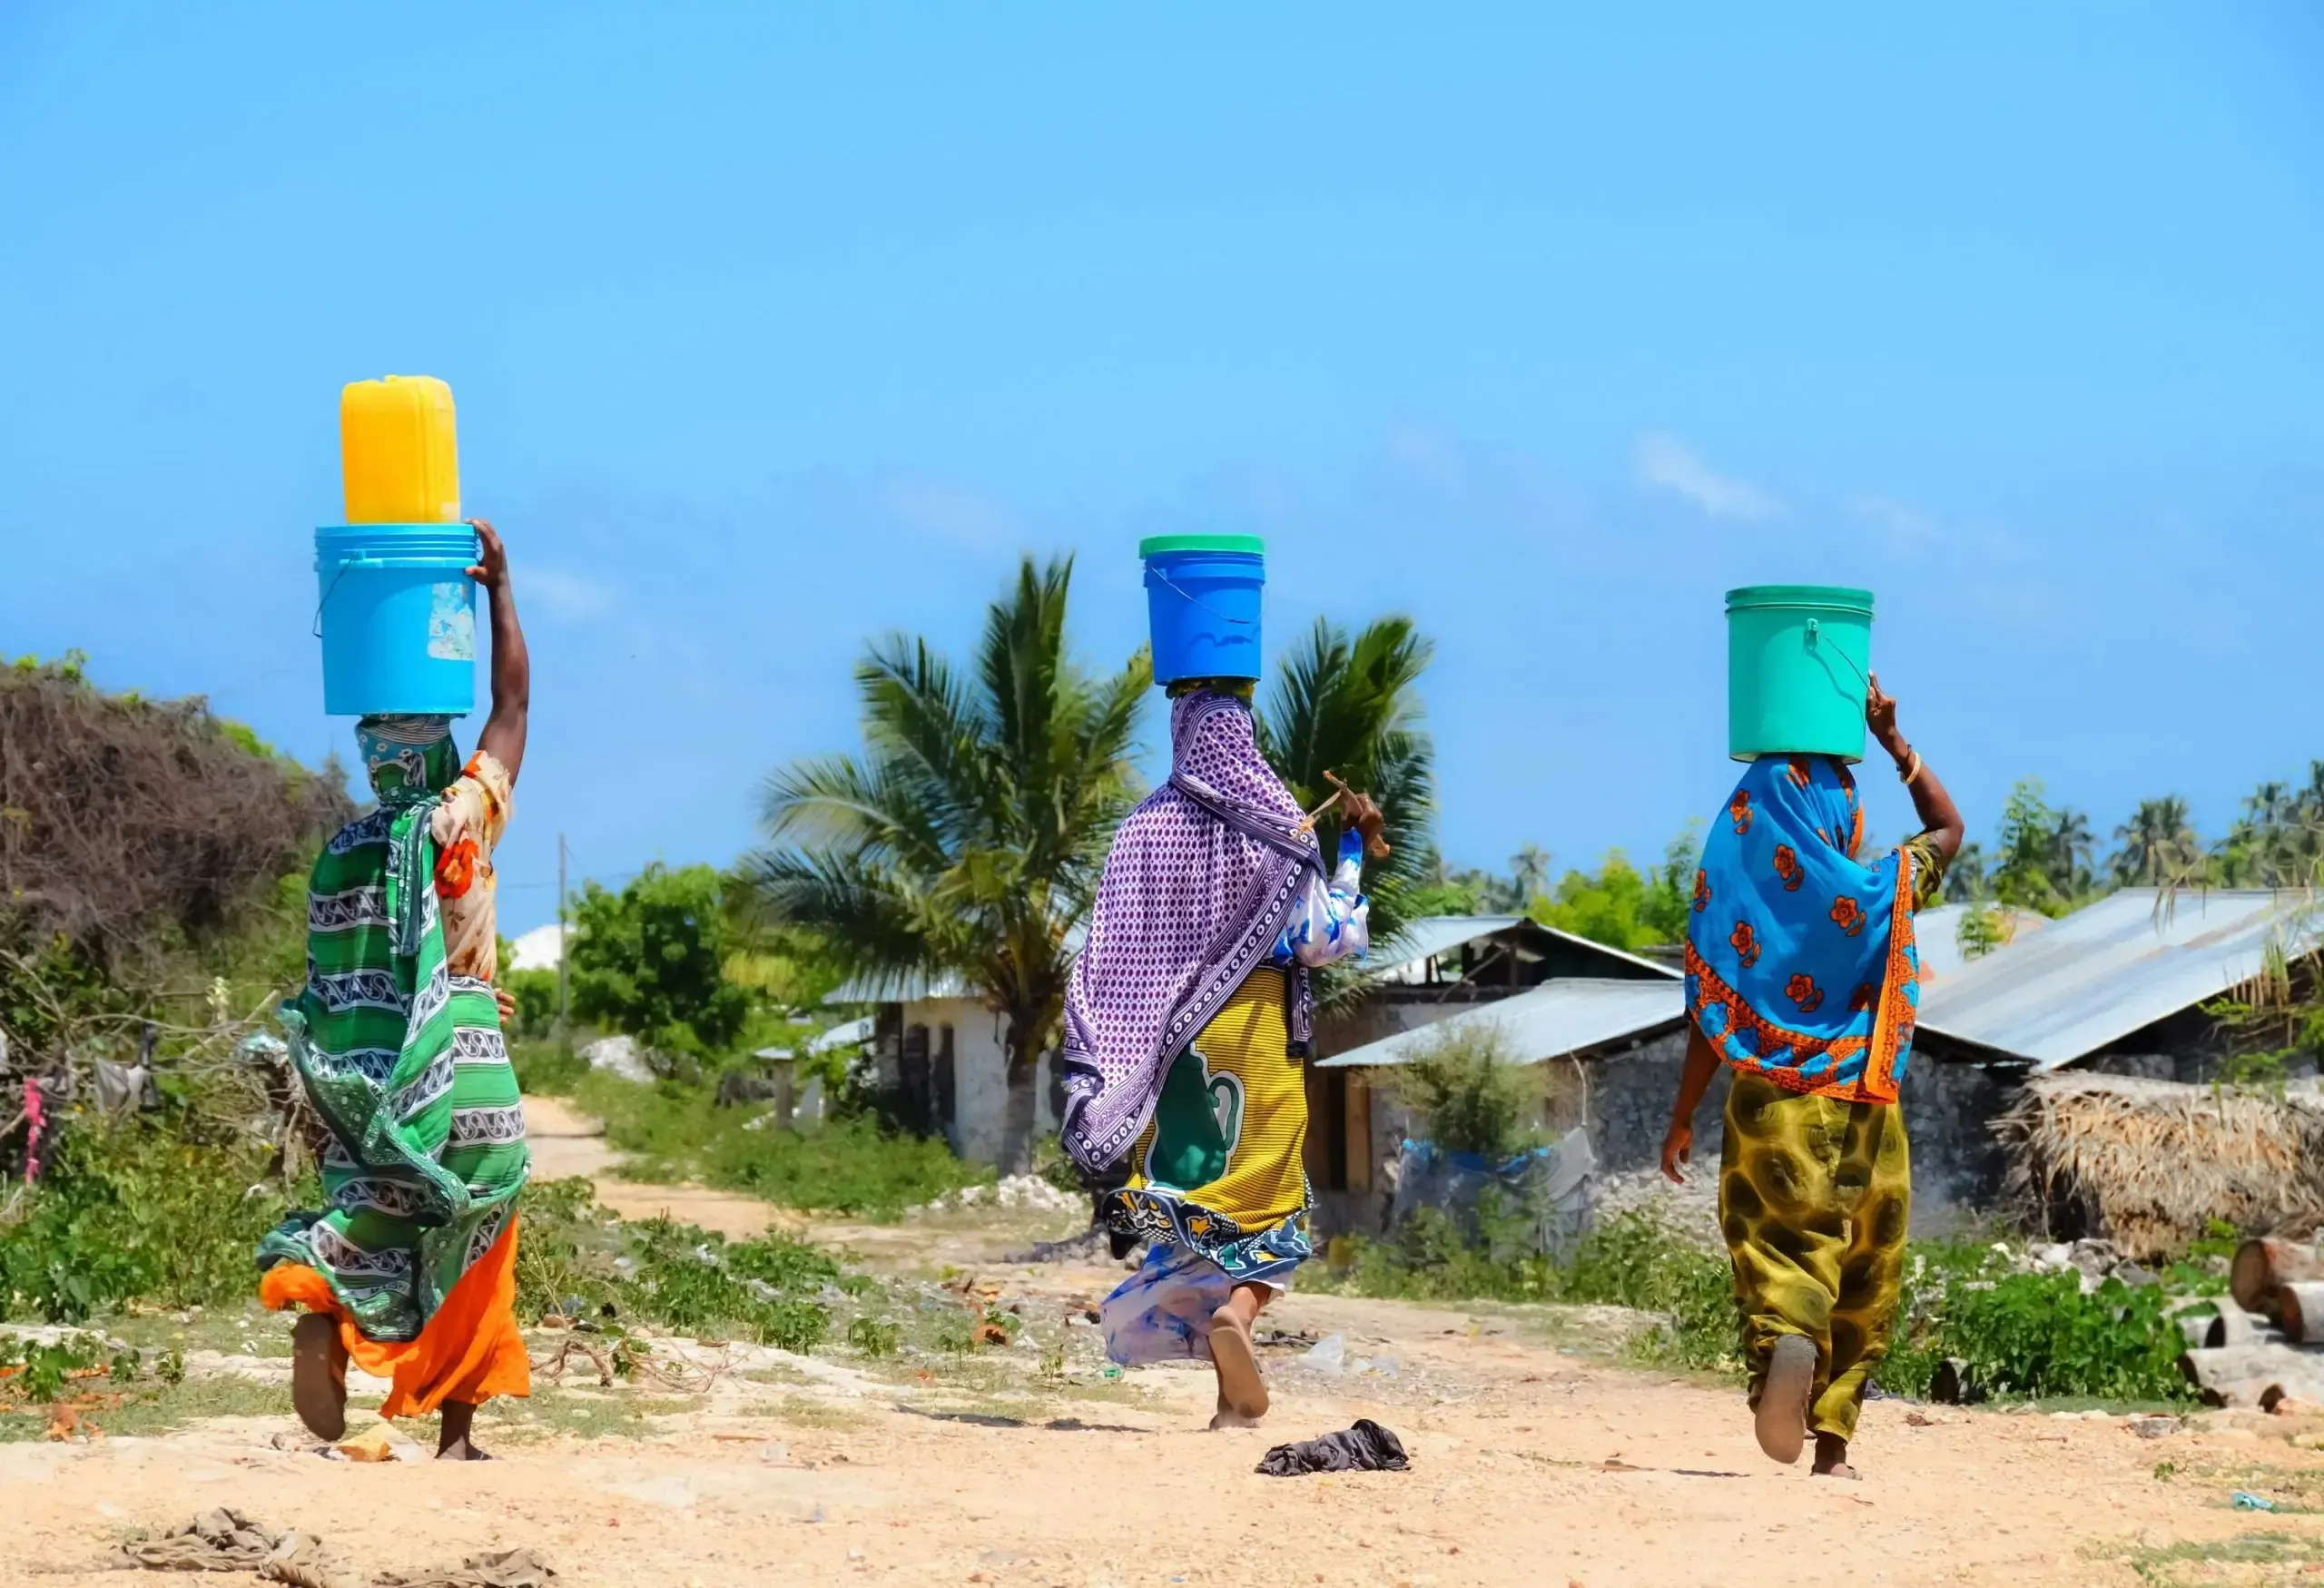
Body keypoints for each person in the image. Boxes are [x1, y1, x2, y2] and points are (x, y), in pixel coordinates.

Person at [258, 520, 532, 1461]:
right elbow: (514, 702)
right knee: (476, 1233)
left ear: (376, 758)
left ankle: (326, 1313)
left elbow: (327, 982)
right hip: (467, 1058)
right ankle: (455, 1435)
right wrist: (496, 587)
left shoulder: (344, 852)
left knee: (374, 1212)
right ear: (440, 747)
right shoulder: (460, 822)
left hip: (373, 1072)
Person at [1060, 678, 1385, 1429]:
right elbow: (1323, 938)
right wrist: (1349, 855)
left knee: (1199, 1205)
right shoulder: (1277, 827)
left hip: (1177, 1050)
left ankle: (1229, 1407)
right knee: (1271, 1206)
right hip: (1261, 1040)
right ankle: (1239, 1310)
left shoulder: (1144, 829)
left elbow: (1113, 947)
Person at [1660, 676, 1962, 1481]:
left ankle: (1783, 1345)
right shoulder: (1884, 890)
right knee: (1865, 1266)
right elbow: (1949, 826)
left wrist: (1683, 1114)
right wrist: (1895, 741)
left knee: (1774, 1249)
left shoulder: (1739, 897)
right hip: (1867, 1102)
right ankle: (1833, 1443)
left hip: (1770, 1103)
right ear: (1842, 816)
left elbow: (1708, 1016)